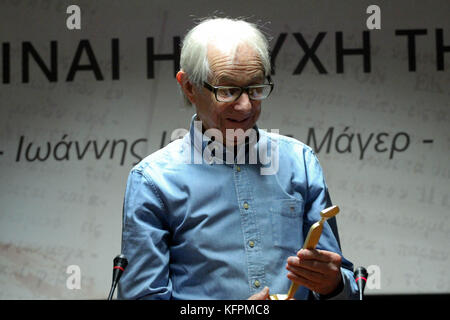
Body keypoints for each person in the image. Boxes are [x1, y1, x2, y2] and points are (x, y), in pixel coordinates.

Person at [118, 17, 358, 300]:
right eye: (228, 90)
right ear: (189, 87)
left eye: (255, 89)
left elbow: (343, 285)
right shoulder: (153, 181)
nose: (245, 106)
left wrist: (335, 286)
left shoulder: (300, 163)